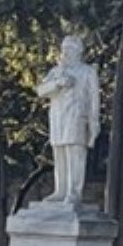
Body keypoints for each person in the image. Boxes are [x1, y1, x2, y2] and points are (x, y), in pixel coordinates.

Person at [35, 35, 102, 206]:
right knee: (59, 153)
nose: (65, 53)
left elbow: (94, 99)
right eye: (64, 49)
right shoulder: (56, 72)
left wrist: (94, 123)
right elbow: (41, 91)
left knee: (75, 153)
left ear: (78, 51)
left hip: (77, 116)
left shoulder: (87, 72)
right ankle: (61, 189)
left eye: (70, 49)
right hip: (58, 117)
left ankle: (74, 191)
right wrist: (58, 83)